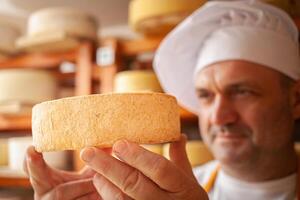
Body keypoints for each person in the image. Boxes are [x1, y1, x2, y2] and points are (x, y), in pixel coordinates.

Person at [24, 1, 300, 199]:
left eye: (242, 92)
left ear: (295, 100)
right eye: (205, 95)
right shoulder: (160, 191)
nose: (218, 116)